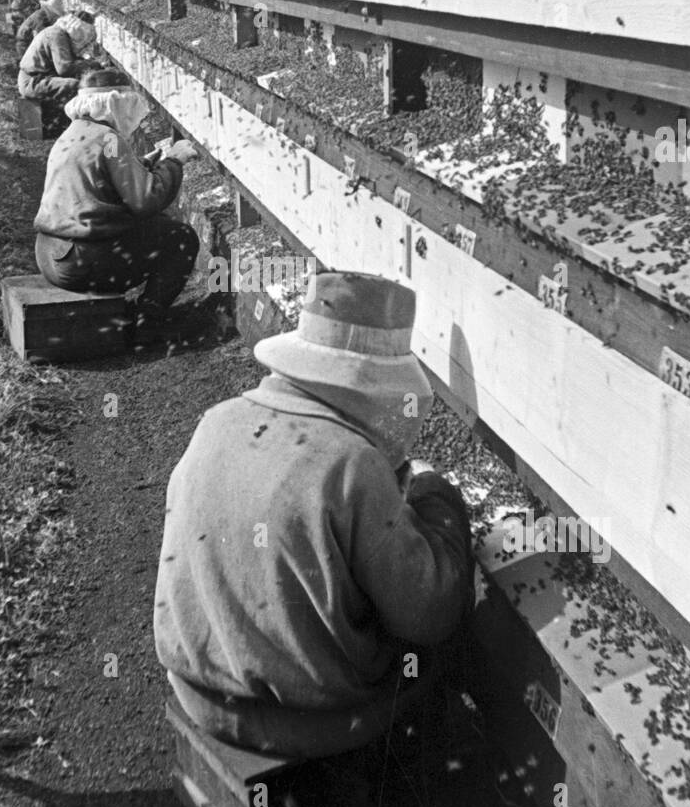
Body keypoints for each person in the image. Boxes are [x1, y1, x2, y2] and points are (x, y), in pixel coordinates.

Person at [154, 272, 474, 760]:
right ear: (378, 383)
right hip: (306, 722)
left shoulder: (216, 420)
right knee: (430, 644)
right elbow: (429, 610)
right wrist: (435, 496)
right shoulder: (353, 464)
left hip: (197, 693)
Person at [33, 74, 200, 320]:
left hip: (49, 254)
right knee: (180, 237)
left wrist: (139, 164)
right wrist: (175, 160)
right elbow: (146, 200)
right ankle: (147, 319)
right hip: (80, 263)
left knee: (155, 226)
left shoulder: (73, 132)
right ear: (116, 105)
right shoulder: (110, 139)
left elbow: (98, 175)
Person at [17, 12, 100, 116]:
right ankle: (80, 118)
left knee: (79, 81)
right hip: (32, 82)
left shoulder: (58, 32)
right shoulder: (57, 36)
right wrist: (92, 63)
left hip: (39, 77)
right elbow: (65, 69)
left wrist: (87, 63)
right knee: (74, 85)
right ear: (77, 29)